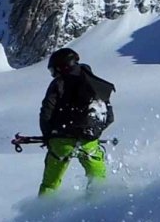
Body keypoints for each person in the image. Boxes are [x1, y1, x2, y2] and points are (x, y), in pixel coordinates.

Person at [37, 48, 114, 196]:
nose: (54, 74)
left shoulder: (58, 83)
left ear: (61, 67)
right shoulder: (95, 83)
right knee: (98, 180)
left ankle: (42, 214)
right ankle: (98, 211)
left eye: (54, 70)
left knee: (50, 185)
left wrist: (48, 136)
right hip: (89, 141)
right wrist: (93, 133)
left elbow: (46, 112)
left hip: (61, 142)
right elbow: (109, 116)